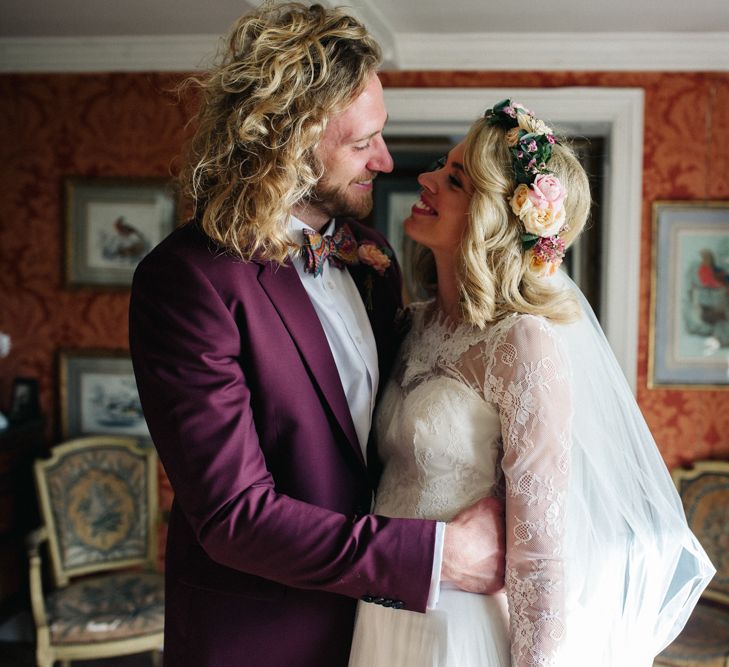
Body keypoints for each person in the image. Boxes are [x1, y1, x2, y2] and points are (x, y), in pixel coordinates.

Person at [128, 3, 505, 666]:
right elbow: (234, 516)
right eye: (361, 144)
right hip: (261, 638)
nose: (385, 160)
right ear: (286, 145)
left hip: (386, 632)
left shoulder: (370, 255)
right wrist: (437, 556)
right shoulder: (185, 281)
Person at [348, 100, 715, 666]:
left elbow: (539, 555)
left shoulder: (523, 343)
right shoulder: (411, 324)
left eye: (454, 179)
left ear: (494, 214)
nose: (424, 178)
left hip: (460, 629)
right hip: (383, 613)